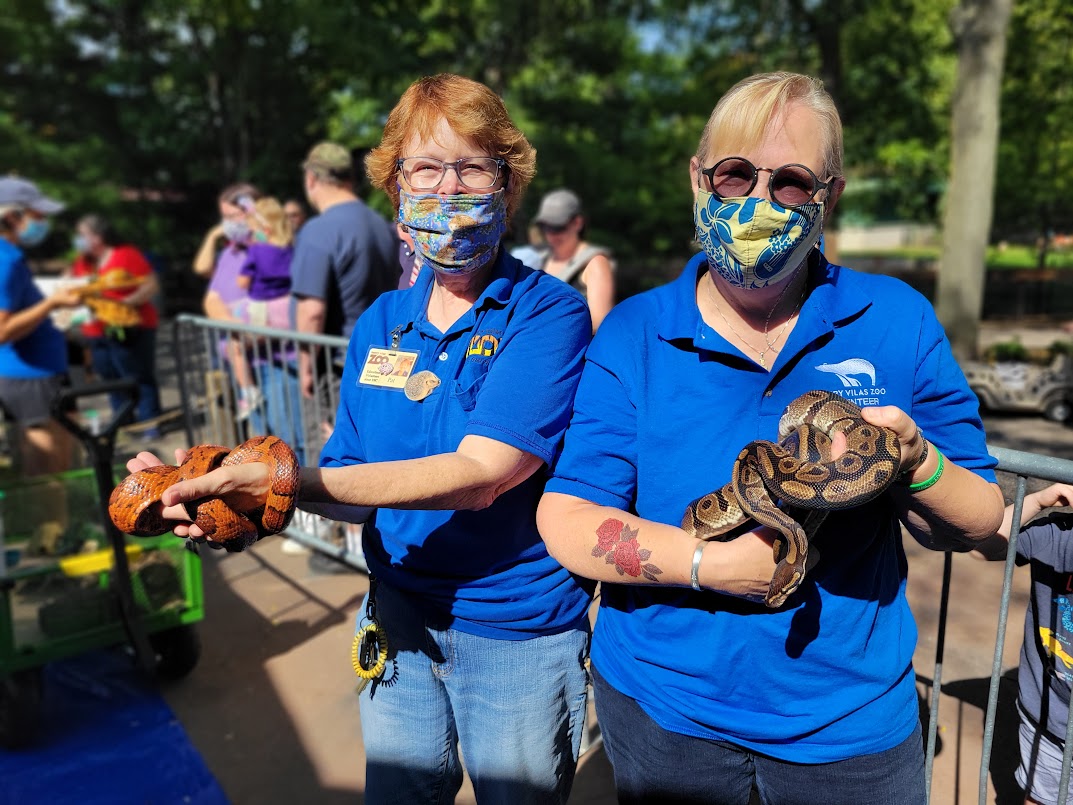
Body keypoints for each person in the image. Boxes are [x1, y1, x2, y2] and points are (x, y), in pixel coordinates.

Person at [535, 71, 1005, 804]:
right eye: (733, 174)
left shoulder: (894, 319)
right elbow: (565, 517)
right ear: (699, 179)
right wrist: (711, 567)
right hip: (666, 716)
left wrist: (915, 462)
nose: (757, 202)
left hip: (847, 728)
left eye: (789, 183)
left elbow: (984, 521)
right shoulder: (634, 332)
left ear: (828, 197)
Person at [127, 73, 594, 805]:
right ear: (395, 189)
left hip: (512, 631)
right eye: (425, 168)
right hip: (397, 616)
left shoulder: (549, 313)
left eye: (472, 166)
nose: (448, 189)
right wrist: (236, 503)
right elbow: (350, 480)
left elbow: (483, 471)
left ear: (507, 186)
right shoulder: (381, 321)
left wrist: (288, 482)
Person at [974, 484, 1073, 805]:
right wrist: (1037, 500)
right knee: (1041, 798)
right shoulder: (1059, 534)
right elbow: (983, 546)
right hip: (1049, 716)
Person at [290, 141, 398, 398]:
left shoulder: (318, 231)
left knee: (331, 438)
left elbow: (311, 312)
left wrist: (305, 369)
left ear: (311, 178)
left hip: (339, 367)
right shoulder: (380, 224)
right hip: (383, 363)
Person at [0, 177, 83, 475]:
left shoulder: (11, 257)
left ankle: (56, 519)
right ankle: (50, 522)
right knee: (47, 470)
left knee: (60, 461)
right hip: (30, 378)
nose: (44, 221)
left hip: (38, 374)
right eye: (38, 215)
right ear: (12, 217)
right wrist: (52, 303)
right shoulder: (5, 260)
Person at [71, 214, 162, 434]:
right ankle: (123, 422)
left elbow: (150, 285)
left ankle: (150, 423)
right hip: (95, 330)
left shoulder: (126, 255)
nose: (78, 239)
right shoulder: (83, 262)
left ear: (97, 237)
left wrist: (124, 304)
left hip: (131, 327)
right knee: (109, 377)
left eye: (82, 234)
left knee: (136, 375)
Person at [230, 196, 295, 418]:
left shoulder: (256, 251)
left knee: (236, 346)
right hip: (286, 311)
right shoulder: (290, 249)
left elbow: (242, 282)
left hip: (261, 311)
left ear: (263, 228)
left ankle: (248, 392)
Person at [530, 188, 615, 332]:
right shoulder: (539, 259)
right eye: (545, 226)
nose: (550, 234)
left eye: (557, 227)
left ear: (577, 223)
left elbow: (600, 327)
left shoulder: (595, 263)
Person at [192, 183, 262, 279]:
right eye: (224, 216)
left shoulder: (272, 242)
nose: (227, 221)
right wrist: (212, 236)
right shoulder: (233, 248)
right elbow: (202, 269)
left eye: (232, 216)